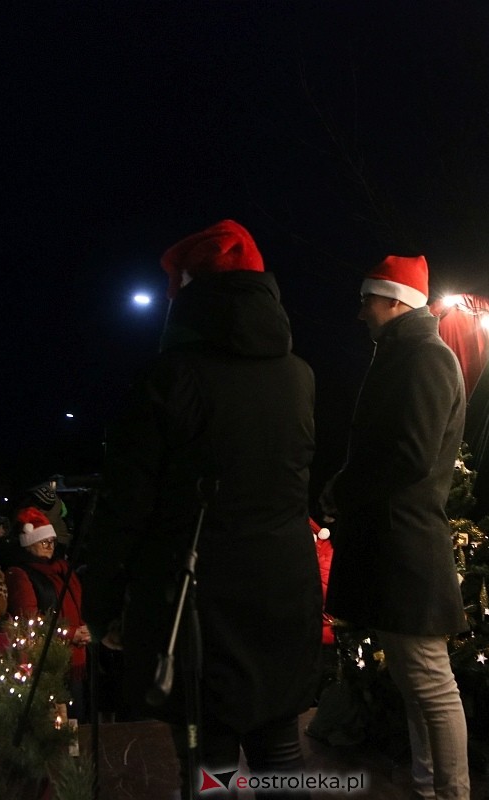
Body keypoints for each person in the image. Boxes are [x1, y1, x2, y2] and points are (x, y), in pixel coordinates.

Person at [86, 219, 322, 793]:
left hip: (197, 599)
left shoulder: (168, 378)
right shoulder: (300, 377)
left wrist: (104, 604)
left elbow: (127, 503)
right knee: (279, 748)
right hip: (283, 589)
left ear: (189, 295)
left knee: (208, 755)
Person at [320, 254, 470, 799]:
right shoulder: (404, 356)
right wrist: (345, 484)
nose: (360, 313)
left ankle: (450, 794)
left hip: (407, 546)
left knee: (430, 682)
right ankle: (428, 788)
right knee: (414, 681)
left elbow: (408, 455)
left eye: (367, 300)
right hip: (393, 543)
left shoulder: (424, 358)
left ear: (393, 301)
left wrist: (346, 487)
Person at [5, 508, 88, 715]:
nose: (50, 547)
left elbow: (75, 604)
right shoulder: (21, 573)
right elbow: (30, 619)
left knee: (76, 715)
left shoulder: (61, 569)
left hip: (74, 655)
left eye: (52, 541)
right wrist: (70, 633)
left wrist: (84, 627)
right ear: (29, 543)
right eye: (44, 542)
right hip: (49, 660)